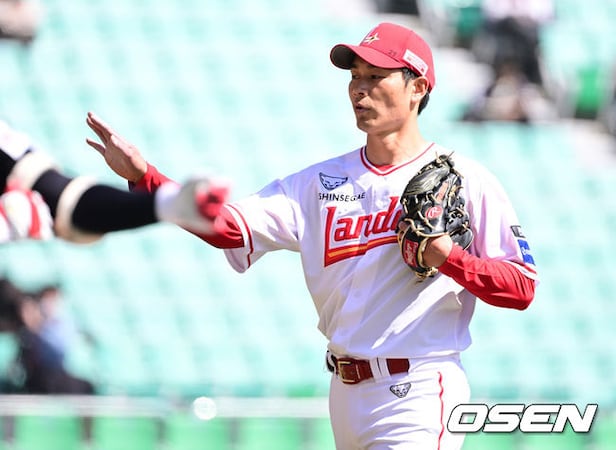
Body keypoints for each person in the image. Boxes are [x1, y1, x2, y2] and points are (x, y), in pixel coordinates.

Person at [79, 22, 538, 450]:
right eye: (354, 76)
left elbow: (521, 286)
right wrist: (144, 177)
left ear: (417, 87)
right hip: (344, 392)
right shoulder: (316, 183)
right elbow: (229, 230)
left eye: (375, 76)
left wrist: (450, 258)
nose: (359, 88)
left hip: (417, 386)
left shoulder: (465, 179)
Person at [0, 278, 95, 394]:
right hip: (40, 380)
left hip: (56, 377)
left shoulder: (60, 326)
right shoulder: (24, 333)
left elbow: (57, 349)